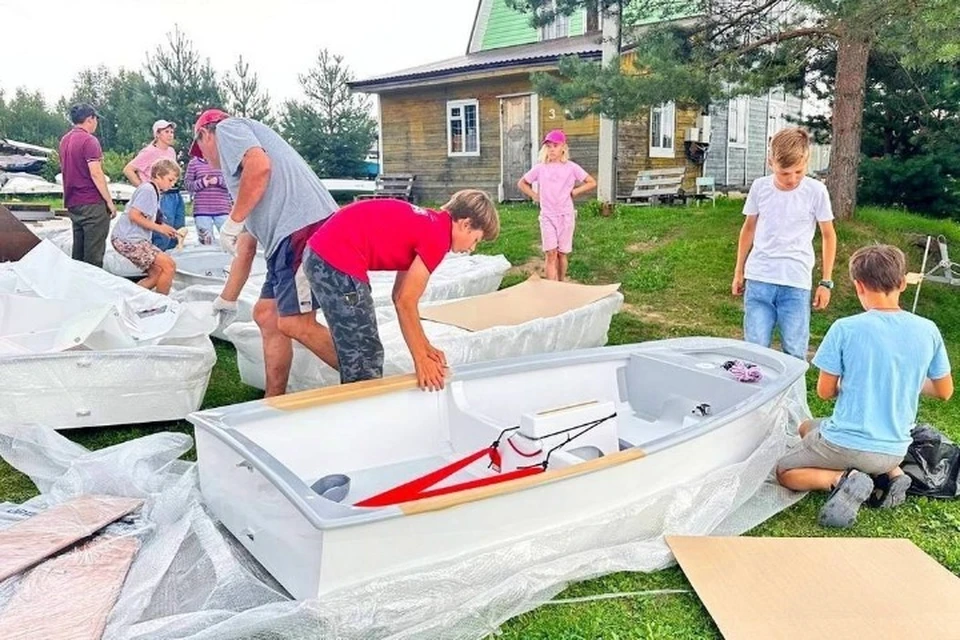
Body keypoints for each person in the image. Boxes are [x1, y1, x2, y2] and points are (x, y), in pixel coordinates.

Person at [776, 244, 953, 528]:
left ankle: (841, 480)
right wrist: (903, 379)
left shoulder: (845, 328)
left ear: (859, 285)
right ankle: (893, 476)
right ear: (902, 282)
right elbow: (944, 392)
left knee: (785, 470)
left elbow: (824, 391)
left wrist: (852, 380)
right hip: (893, 451)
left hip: (843, 445)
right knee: (807, 427)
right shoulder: (928, 329)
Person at [190, 108, 340, 397]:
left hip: (304, 229)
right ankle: (274, 399)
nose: (204, 159)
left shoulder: (228, 129)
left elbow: (260, 167)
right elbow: (245, 248)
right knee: (266, 314)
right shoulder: (240, 179)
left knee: (296, 323)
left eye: (201, 150)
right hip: (287, 238)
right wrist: (226, 300)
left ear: (206, 133)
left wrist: (232, 221)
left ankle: (370, 380)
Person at [303, 192, 500, 391]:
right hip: (334, 259)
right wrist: (421, 360)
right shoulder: (438, 237)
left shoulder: (429, 224)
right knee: (364, 356)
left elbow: (399, 296)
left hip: (323, 254)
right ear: (465, 224)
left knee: (362, 351)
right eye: (476, 240)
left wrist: (424, 346)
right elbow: (406, 301)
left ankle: (360, 401)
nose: (472, 248)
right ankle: (361, 414)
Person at [732, 127, 837, 360]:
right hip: (759, 279)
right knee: (754, 350)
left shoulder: (816, 191)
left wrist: (826, 282)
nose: (792, 179)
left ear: (807, 161)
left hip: (796, 283)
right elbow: (748, 228)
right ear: (771, 162)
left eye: (798, 172)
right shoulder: (760, 188)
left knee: (794, 352)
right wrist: (739, 271)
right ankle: (758, 396)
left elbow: (829, 235)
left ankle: (791, 398)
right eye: (784, 173)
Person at [516, 129, 596, 281]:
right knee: (551, 253)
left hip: (566, 216)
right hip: (547, 216)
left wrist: (576, 191)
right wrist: (535, 196)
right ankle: (552, 289)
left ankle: (561, 283)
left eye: (555, 146)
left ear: (563, 148)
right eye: (549, 146)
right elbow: (522, 183)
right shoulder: (540, 168)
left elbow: (591, 182)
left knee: (562, 253)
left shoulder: (572, 167)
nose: (552, 149)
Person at [58, 103, 116, 267]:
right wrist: (109, 202)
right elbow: (96, 173)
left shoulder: (65, 140)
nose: (96, 123)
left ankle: (76, 287)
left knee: (79, 253)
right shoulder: (89, 141)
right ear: (90, 119)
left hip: (73, 202)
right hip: (91, 202)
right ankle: (91, 289)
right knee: (93, 257)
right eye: (95, 119)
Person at [109, 159, 181, 294]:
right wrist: (160, 229)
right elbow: (134, 215)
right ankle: (162, 303)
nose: (172, 184)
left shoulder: (153, 190)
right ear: (158, 175)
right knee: (169, 266)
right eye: (170, 180)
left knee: (157, 272)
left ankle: (132, 297)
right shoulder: (148, 190)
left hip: (129, 238)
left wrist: (165, 227)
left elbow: (148, 217)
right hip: (129, 239)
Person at [124, 119, 184, 251]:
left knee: (177, 231)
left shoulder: (171, 152)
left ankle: (171, 263)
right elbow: (128, 169)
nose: (170, 135)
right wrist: (144, 188)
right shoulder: (149, 152)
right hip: (161, 195)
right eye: (166, 132)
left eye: (172, 132)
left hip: (174, 193)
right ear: (157, 134)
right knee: (162, 235)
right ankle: (157, 263)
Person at [184, 154, 232, 245]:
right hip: (202, 211)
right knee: (206, 243)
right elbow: (187, 185)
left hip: (223, 209)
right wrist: (201, 183)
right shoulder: (193, 163)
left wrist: (218, 181)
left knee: (230, 241)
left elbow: (232, 182)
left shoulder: (223, 161)